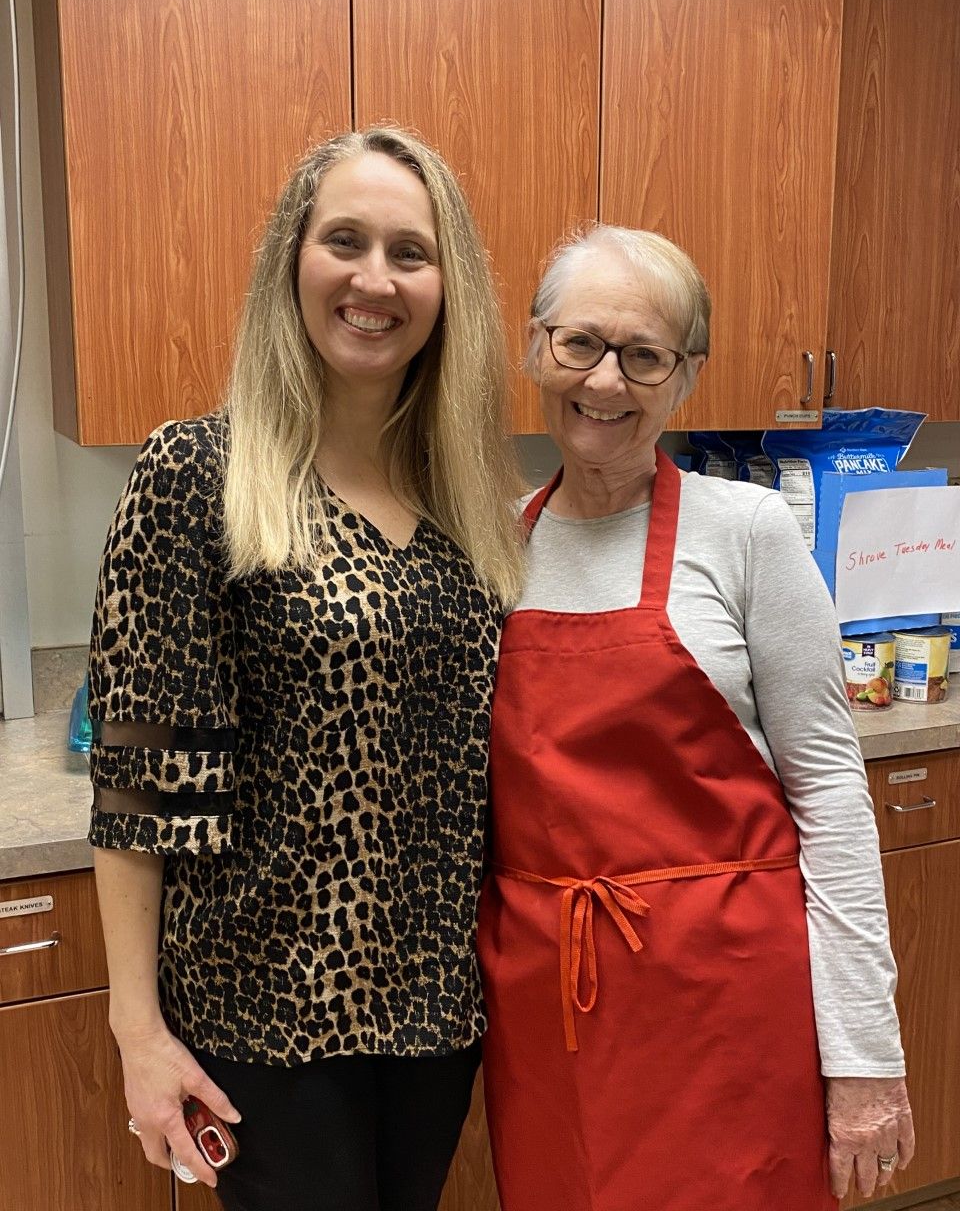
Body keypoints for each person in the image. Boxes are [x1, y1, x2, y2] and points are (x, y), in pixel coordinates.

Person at [87, 125, 525, 1211]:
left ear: (446, 285)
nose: (375, 278)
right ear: (293, 259)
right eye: (345, 240)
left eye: (410, 252)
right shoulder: (198, 473)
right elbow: (141, 789)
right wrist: (138, 1030)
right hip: (262, 1020)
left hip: (437, 1014)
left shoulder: (468, 500)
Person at [477, 225, 915, 1211]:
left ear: (686, 376)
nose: (607, 380)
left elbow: (835, 804)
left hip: (727, 1006)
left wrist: (863, 1056)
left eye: (645, 354)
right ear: (536, 347)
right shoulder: (492, 545)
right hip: (554, 1008)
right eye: (581, 342)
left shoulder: (747, 533)